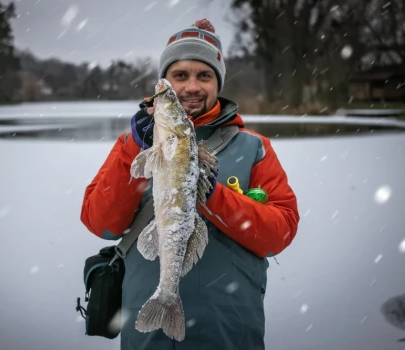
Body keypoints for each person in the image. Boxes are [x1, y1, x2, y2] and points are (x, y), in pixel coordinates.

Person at [81, 18, 299, 350]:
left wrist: (211, 194)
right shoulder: (133, 145)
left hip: (229, 336)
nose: (192, 87)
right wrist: (134, 147)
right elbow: (100, 222)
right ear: (164, 82)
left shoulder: (254, 148)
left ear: (218, 82)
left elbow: (279, 232)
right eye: (179, 76)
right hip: (147, 337)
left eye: (204, 75)